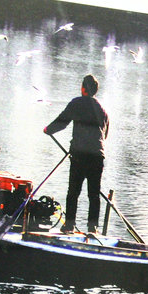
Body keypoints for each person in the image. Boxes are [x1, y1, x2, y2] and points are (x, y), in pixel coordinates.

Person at [44, 74, 110, 233]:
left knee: (73, 192)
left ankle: (69, 225)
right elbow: (105, 134)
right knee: (94, 194)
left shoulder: (77, 103)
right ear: (95, 91)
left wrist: (48, 129)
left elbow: (62, 121)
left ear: (83, 88)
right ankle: (93, 228)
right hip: (97, 156)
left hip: (80, 155)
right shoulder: (103, 110)